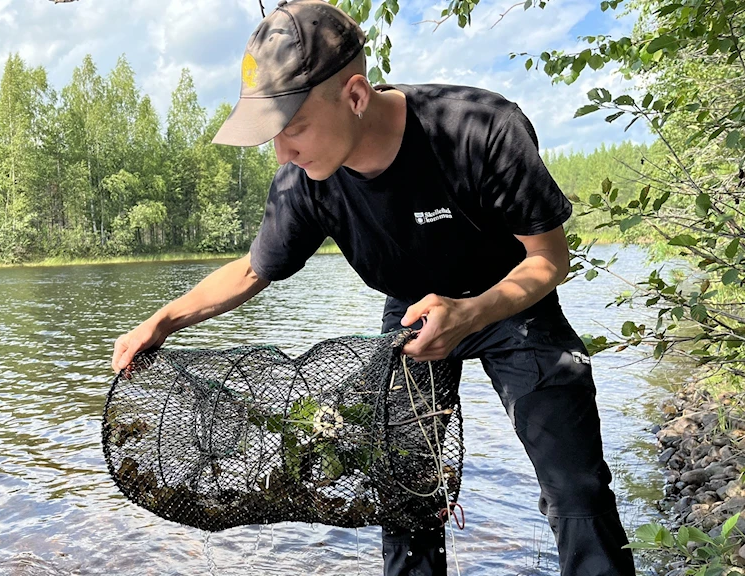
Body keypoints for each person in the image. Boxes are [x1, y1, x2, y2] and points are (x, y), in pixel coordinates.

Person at [111, 0, 637, 574]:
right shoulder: (306, 179)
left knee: (575, 486)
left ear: (355, 96)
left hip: (511, 299)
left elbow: (549, 259)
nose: (281, 152)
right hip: (411, 316)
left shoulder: (479, 128)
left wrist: (472, 311)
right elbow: (252, 269)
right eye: (272, 136)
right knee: (403, 491)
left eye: (293, 129)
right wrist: (162, 321)